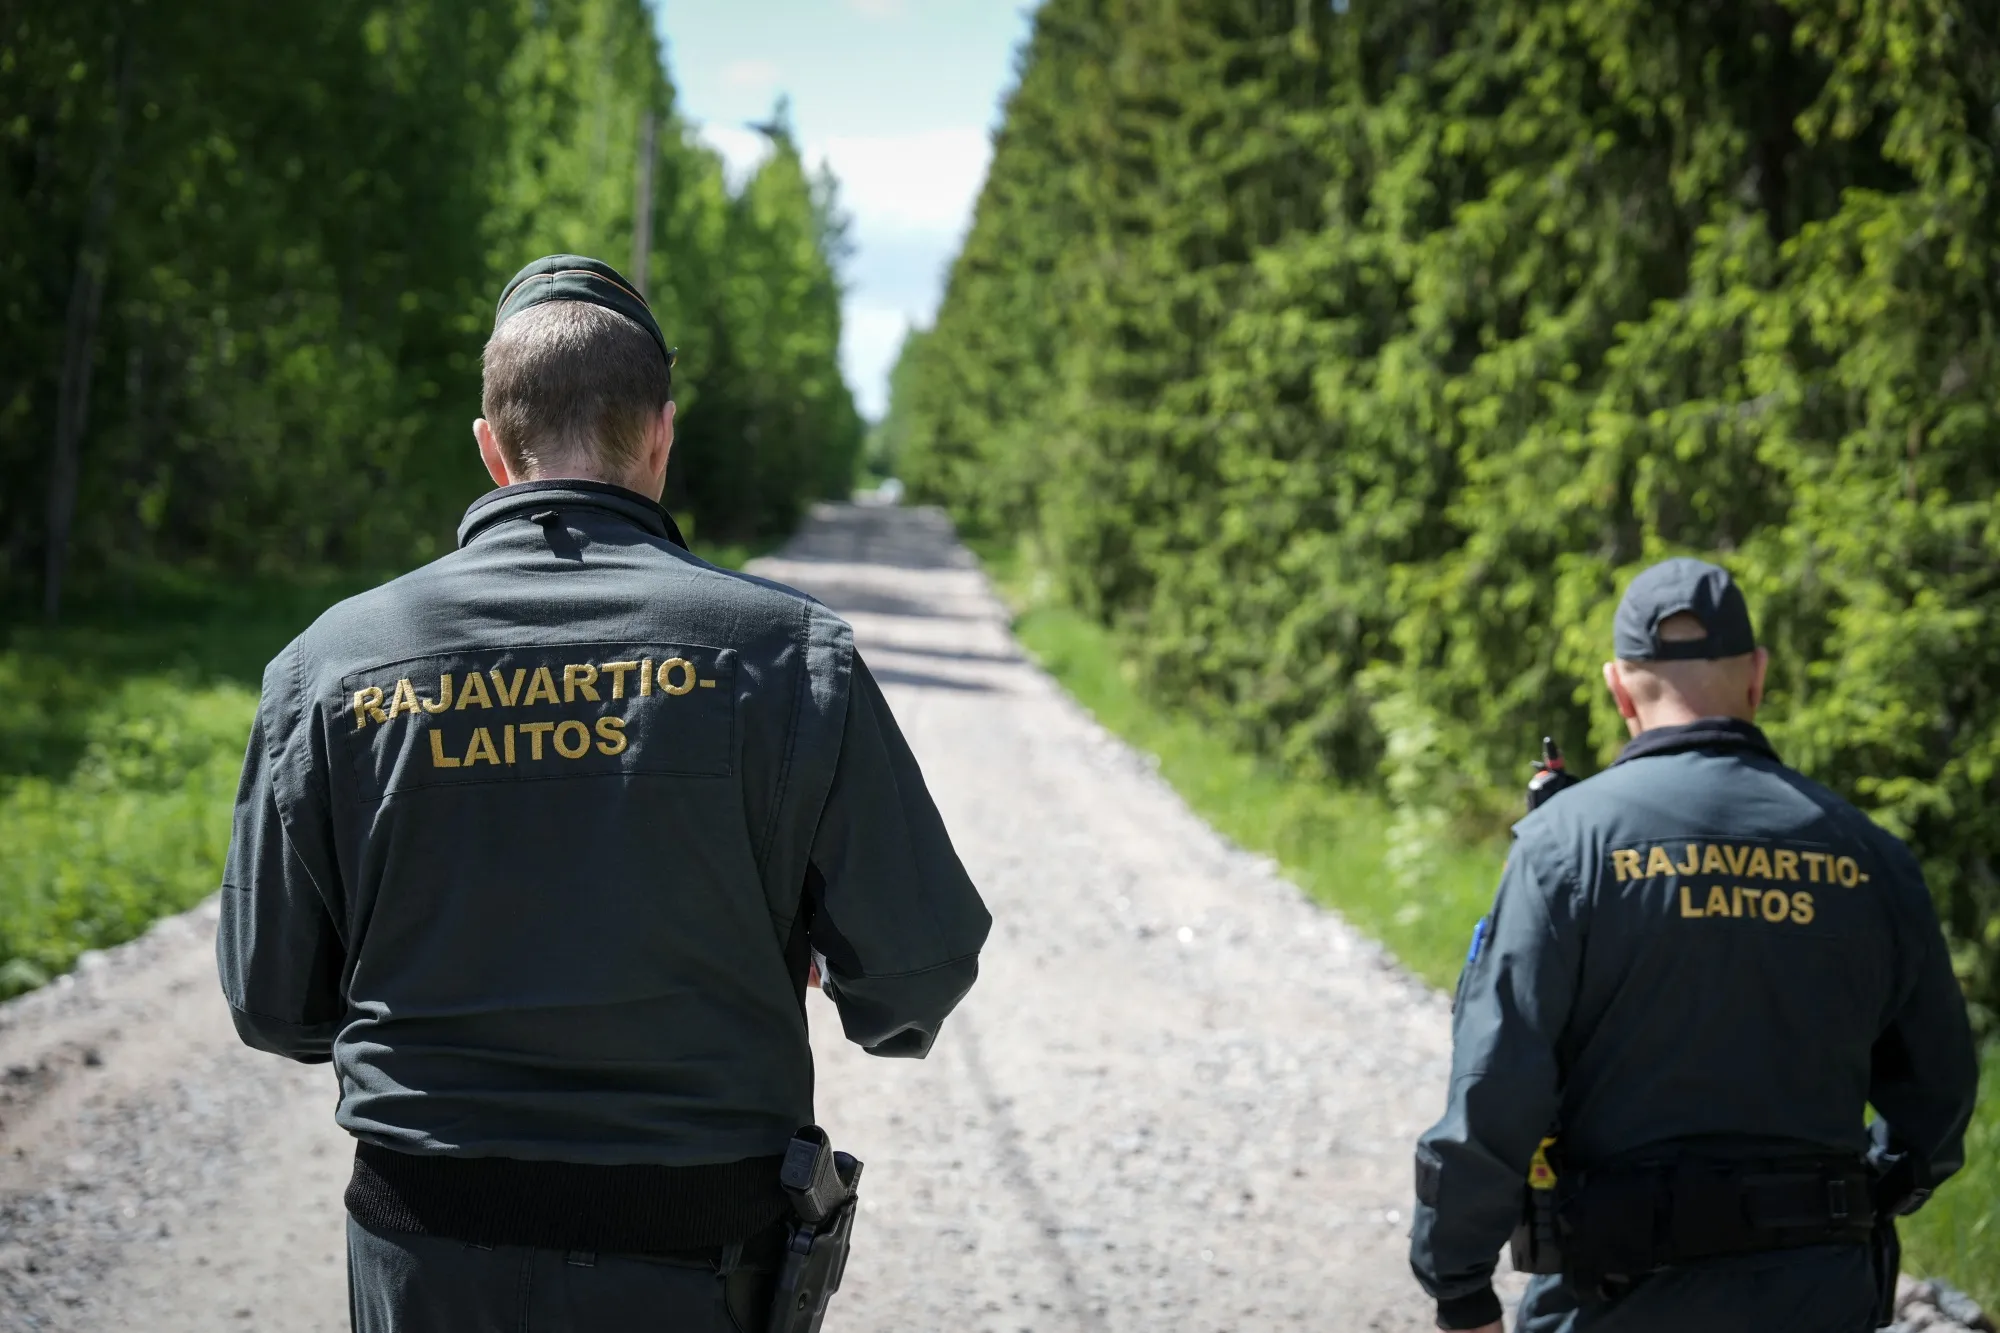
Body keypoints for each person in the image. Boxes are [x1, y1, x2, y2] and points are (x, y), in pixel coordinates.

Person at [216, 254, 992, 1332]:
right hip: (694, 1254)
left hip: (425, 1256)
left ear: (490, 449)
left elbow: (274, 1002)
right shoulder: (786, 654)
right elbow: (914, 973)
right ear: (660, 435)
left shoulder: (328, 666)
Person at [1409, 557, 1979, 1333]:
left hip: (1618, 1297)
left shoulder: (1563, 847)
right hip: (1820, 1293)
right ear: (1758, 675)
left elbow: (1496, 1082)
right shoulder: (1870, 855)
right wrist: (1860, 1197)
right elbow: (1939, 1099)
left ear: (1619, 687)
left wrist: (1460, 1283)